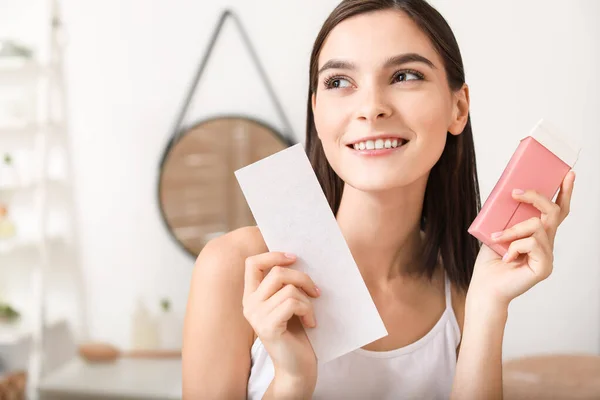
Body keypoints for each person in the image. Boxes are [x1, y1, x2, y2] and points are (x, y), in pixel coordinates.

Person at [182, 0, 576, 398]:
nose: (371, 108)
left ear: (458, 108)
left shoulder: (462, 290)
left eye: (405, 75)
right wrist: (293, 380)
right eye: (338, 82)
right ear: (317, 111)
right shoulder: (238, 268)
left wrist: (489, 306)